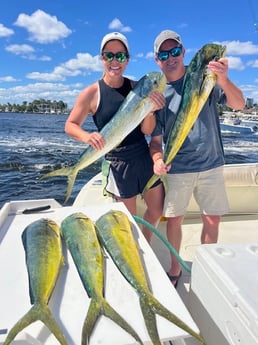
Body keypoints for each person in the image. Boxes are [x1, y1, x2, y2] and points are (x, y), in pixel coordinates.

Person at [148, 30, 245, 287]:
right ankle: (175, 268)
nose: (171, 58)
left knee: (212, 219)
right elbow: (156, 141)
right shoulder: (158, 94)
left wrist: (223, 78)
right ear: (157, 60)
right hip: (178, 169)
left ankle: (206, 268)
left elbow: (239, 104)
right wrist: (158, 160)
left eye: (175, 51)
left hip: (211, 164)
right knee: (175, 220)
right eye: (164, 54)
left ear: (184, 52)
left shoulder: (207, 77)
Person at [65, 32, 165, 232]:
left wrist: (150, 111)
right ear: (102, 58)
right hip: (118, 162)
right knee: (128, 222)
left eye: (120, 56)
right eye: (109, 55)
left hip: (143, 156)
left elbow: (146, 130)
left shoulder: (138, 88)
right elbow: (70, 125)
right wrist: (87, 136)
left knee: (157, 209)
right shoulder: (91, 93)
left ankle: (146, 245)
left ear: (127, 60)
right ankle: (136, 255)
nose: (114, 61)